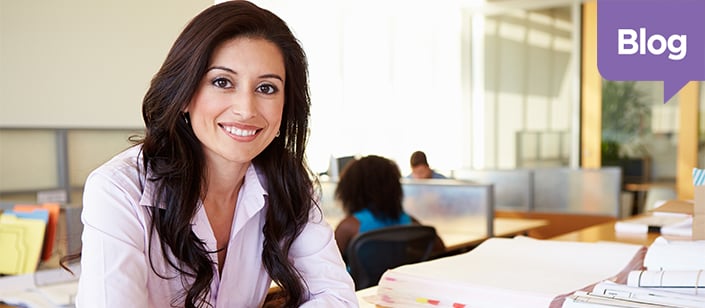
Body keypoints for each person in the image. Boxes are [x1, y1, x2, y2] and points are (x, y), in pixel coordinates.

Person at [71, 1, 357, 307]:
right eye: (222, 82)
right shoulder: (119, 189)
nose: (246, 109)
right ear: (184, 95)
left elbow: (336, 297)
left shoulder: (288, 185)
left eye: (267, 88)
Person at [333, 155, 445, 258]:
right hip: (399, 280)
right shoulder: (409, 221)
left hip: (361, 281)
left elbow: (329, 267)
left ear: (351, 189)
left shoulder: (348, 227)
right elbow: (440, 248)